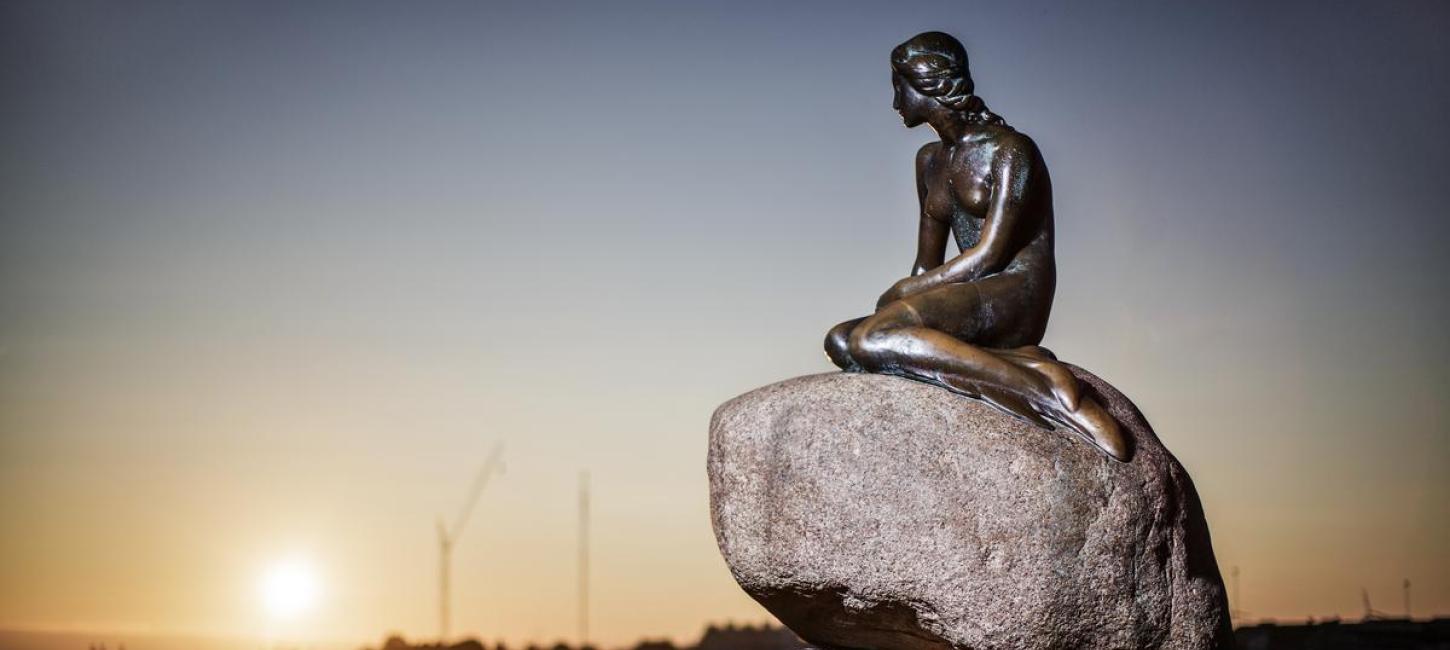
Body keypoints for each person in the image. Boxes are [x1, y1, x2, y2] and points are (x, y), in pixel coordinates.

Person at [824, 31, 1129, 461]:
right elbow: (924, 265)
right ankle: (1013, 365)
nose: (895, 102)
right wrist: (903, 296)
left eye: (899, 87)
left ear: (927, 83)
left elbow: (991, 255)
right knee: (842, 340)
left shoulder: (1011, 151)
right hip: (968, 290)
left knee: (873, 339)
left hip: (1014, 292)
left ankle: (1050, 393)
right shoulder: (929, 161)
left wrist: (901, 297)